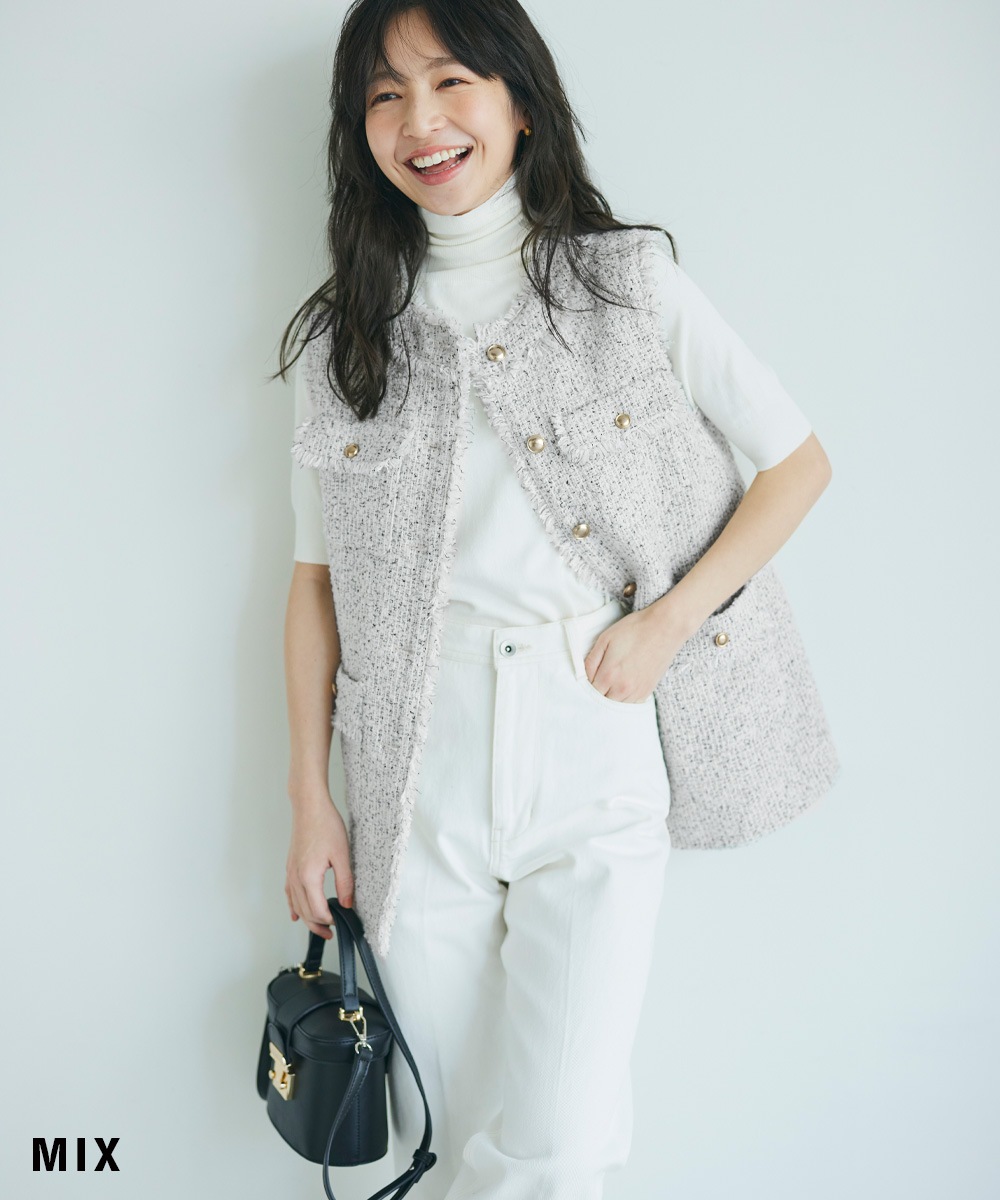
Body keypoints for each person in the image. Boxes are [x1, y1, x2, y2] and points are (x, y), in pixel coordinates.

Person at [275, 2, 837, 1196]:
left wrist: (666, 625)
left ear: (520, 102)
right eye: (384, 96)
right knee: (446, 1122)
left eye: (450, 82)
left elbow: (796, 465)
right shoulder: (344, 341)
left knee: (563, 1140)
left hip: (590, 722)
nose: (420, 121)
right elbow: (313, 584)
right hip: (412, 758)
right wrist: (312, 804)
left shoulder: (624, 281)